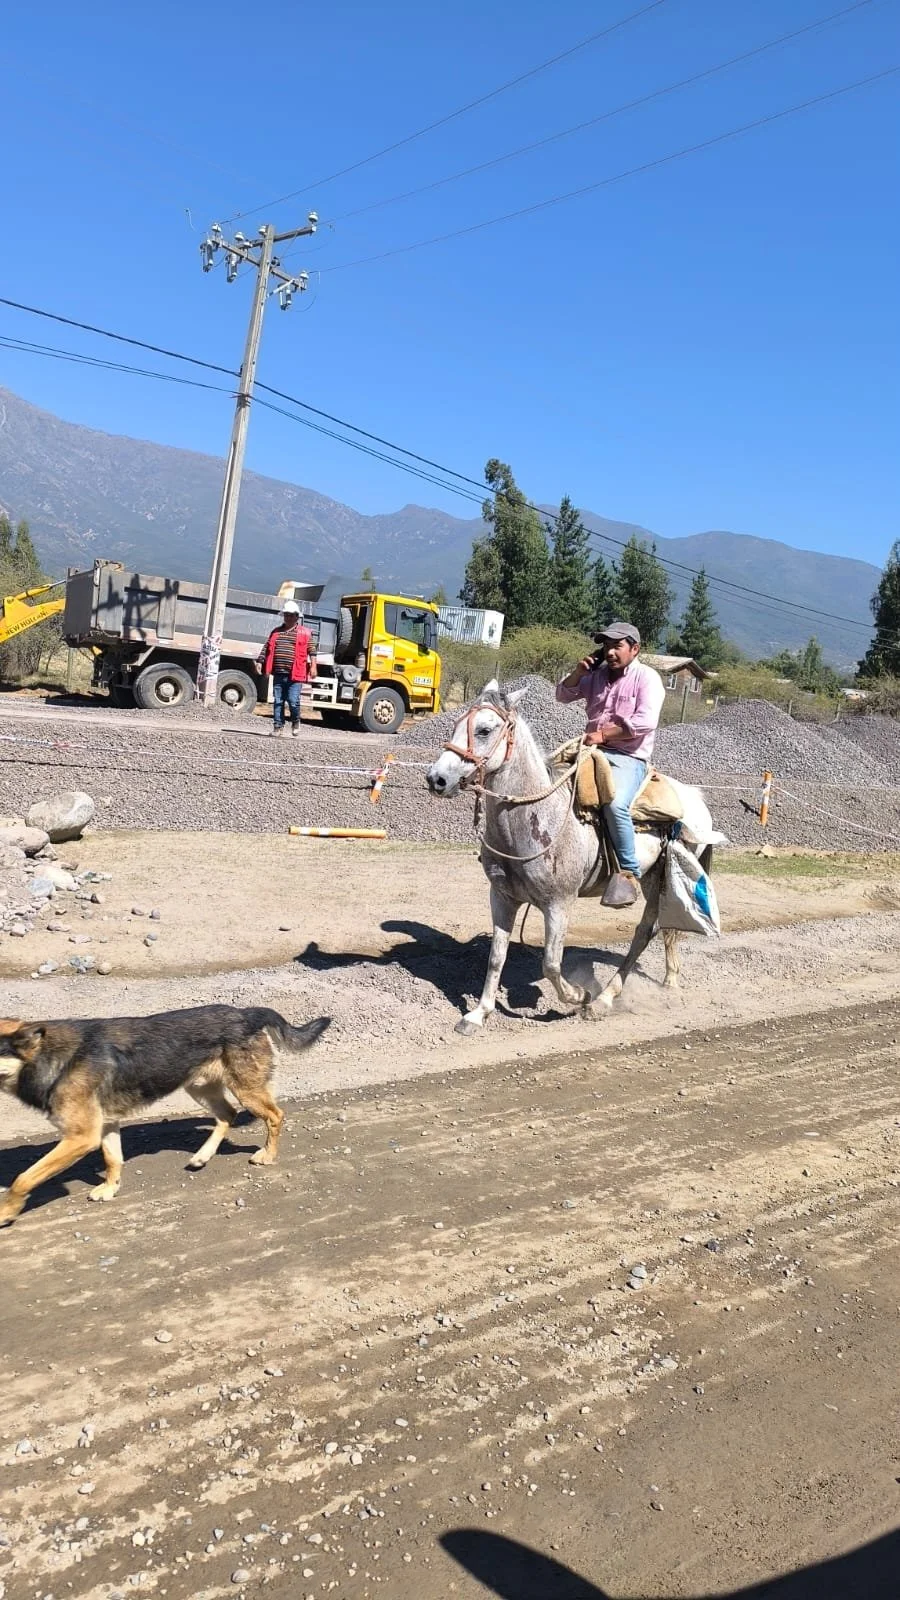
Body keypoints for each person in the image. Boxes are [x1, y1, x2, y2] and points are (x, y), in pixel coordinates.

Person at [556, 620, 665, 908]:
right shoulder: (595, 676)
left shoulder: (647, 678)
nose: (610, 652)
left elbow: (645, 722)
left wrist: (603, 735)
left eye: (617, 646)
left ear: (635, 649)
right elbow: (562, 695)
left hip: (628, 757)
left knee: (615, 805)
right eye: (606, 646)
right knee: (548, 782)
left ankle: (628, 873)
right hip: (591, 751)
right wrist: (578, 673)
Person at [257, 599, 317, 738]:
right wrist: (260, 662)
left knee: (293, 701)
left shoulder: (305, 633)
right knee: (278, 701)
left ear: (297, 617)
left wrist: (313, 666)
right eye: (286, 615)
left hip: (296, 674)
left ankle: (295, 722)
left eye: (291, 615)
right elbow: (266, 647)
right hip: (279, 673)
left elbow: (312, 651)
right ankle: (278, 727)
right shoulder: (276, 632)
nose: (288, 617)